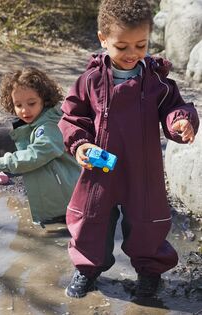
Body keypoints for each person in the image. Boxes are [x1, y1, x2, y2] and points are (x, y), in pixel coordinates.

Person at [58, 0, 200, 298]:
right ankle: (88, 268)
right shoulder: (91, 80)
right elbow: (73, 116)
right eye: (122, 47)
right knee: (91, 217)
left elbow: (174, 107)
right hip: (101, 168)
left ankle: (149, 273)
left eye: (141, 45)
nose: (132, 54)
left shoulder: (156, 81)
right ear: (103, 39)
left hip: (142, 169)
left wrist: (181, 121)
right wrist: (80, 143)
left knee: (147, 221)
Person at [0, 67, 80, 228]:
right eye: (18, 105)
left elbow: (36, 154)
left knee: (72, 238)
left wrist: (2, 162)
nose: (24, 110)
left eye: (31, 103)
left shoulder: (49, 127)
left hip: (67, 199)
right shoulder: (36, 124)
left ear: (44, 100)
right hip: (58, 199)